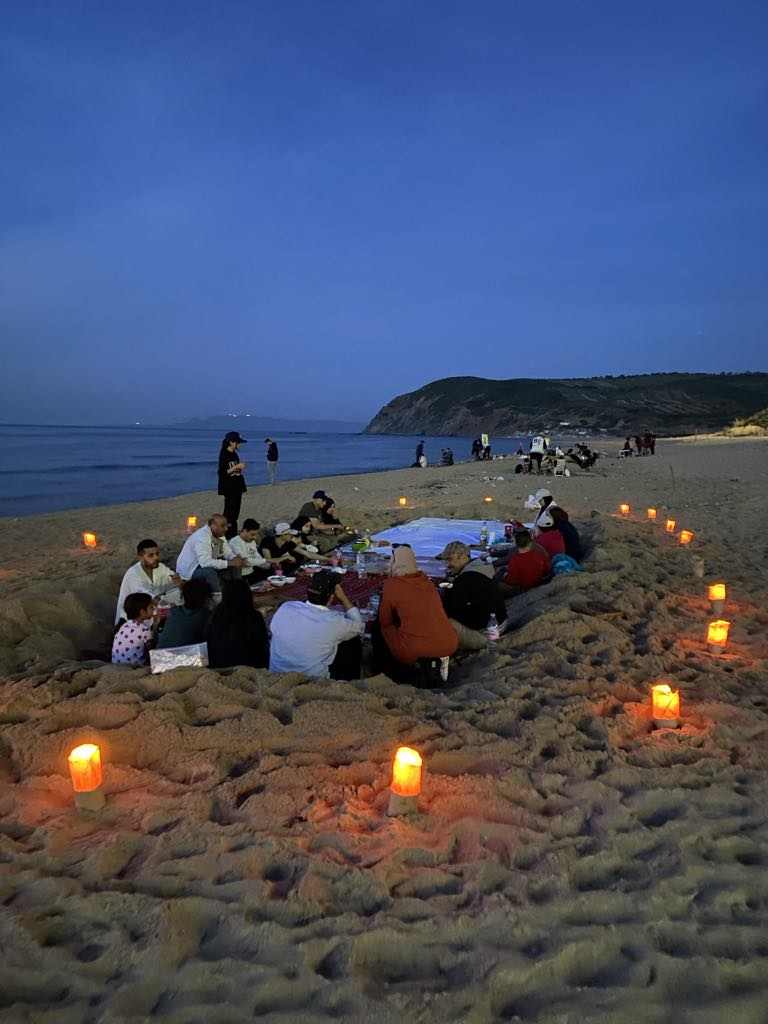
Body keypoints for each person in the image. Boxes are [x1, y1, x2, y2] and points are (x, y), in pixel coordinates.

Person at [373, 546, 458, 683]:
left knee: (381, 629)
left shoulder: (392, 585)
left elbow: (385, 620)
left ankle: (385, 672)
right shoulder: (428, 583)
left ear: (394, 562)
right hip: (449, 644)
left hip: (414, 650)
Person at [269, 569, 365, 679]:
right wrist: (343, 597)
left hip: (275, 675)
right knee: (352, 641)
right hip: (311, 681)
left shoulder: (286, 607)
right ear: (332, 597)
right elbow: (359, 626)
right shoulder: (334, 622)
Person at [438, 541, 504, 651]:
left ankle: (484, 644)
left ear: (463, 557)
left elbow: (452, 610)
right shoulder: (480, 566)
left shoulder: (466, 579)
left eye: (449, 560)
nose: (447, 565)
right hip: (499, 621)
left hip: (488, 631)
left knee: (443, 621)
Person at [205, 578, 269, 669]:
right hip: (249, 668)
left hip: (219, 666)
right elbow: (262, 646)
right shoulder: (254, 616)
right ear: (247, 595)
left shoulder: (216, 614)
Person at [115, 538, 180, 624]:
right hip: (133, 619)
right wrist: (167, 605)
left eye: (157, 554)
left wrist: (179, 582)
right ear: (140, 557)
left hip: (151, 611)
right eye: (151, 555)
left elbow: (173, 580)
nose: (156, 557)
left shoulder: (159, 567)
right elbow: (146, 596)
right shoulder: (133, 574)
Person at [176, 514, 246, 591]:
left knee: (236, 564)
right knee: (209, 572)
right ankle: (218, 595)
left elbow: (227, 551)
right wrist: (229, 563)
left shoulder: (219, 534)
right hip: (191, 570)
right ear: (212, 525)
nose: (226, 529)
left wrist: (235, 558)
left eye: (226, 526)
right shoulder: (202, 537)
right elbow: (205, 563)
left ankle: (238, 590)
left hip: (204, 563)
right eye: (223, 526)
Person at [156, 577, 212, 649]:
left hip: (159, 653)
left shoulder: (172, 611)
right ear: (205, 598)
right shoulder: (206, 616)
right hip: (185, 654)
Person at [498, 528, 551, 596]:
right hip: (537, 584)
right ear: (530, 541)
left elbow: (511, 581)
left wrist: (504, 576)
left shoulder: (515, 560)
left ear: (516, 543)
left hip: (522, 590)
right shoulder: (539, 555)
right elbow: (546, 570)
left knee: (496, 580)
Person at [112, 593, 157, 666]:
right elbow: (152, 652)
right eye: (151, 607)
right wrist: (156, 625)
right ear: (142, 612)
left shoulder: (123, 626)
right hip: (133, 668)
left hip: (116, 666)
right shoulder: (144, 630)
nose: (154, 609)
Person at [218, 431, 247, 539]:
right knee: (229, 513)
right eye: (238, 442)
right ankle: (226, 534)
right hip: (229, 488)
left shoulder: (234, 454)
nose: (239, 445)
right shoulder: (224, 454)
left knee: (235, 513)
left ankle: (232, 534)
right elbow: (222, 472)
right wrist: (236, 467)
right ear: (231, 442)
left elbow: (234, 471)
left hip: (237, 486)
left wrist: (239, 468)